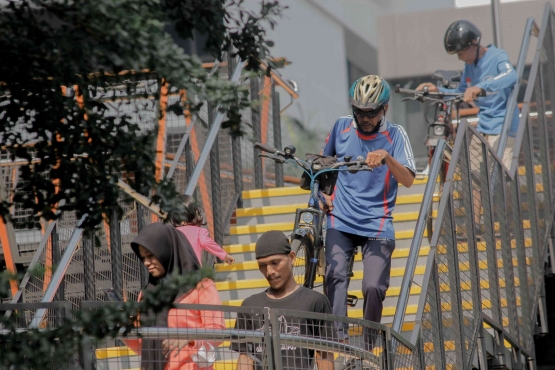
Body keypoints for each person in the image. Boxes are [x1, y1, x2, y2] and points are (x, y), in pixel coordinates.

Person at [321, 75, 416, 339]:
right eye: (360, 112)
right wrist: (323, 195)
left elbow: (408, 180)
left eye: (371, 112)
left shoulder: (396, 134)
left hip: (377, 222)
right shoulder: (341, 127)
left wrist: (387, 157)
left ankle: (367, 346)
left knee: (373, 286)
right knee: (335, 275)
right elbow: (322, 167)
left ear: (384, 108)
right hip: (341, 218)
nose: (365, 118)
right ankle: (338, 340)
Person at [416, 20, 519, 168]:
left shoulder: (497, 55)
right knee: (472, 177)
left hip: (504, 126)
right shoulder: (469, 66)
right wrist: (437, 91)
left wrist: (480, 87)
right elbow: (461, 92)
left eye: (460, 53)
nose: (460, 58)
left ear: (473, 44)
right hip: (483, 127)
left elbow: (511, 76)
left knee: (500, 180)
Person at [126, 222, 225, 370]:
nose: (146, 263)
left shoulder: (201, 286)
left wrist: (190, 337)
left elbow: (218, 330)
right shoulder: (147, 293)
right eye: (143, 258)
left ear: (165, 251)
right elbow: (143, 346)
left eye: (151, 256)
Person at [231, 230, 334, 370]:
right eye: (262, 265)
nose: (269, 271)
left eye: (275, 263)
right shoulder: (250, 305)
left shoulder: (315, 302)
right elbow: (245, 358)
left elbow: (324, 356)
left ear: (291, 257)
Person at [172, 195, 235, 266]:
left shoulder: (171, 233)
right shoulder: (199, 231)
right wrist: (224, 255)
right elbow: (205, 242)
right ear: (195, 212)